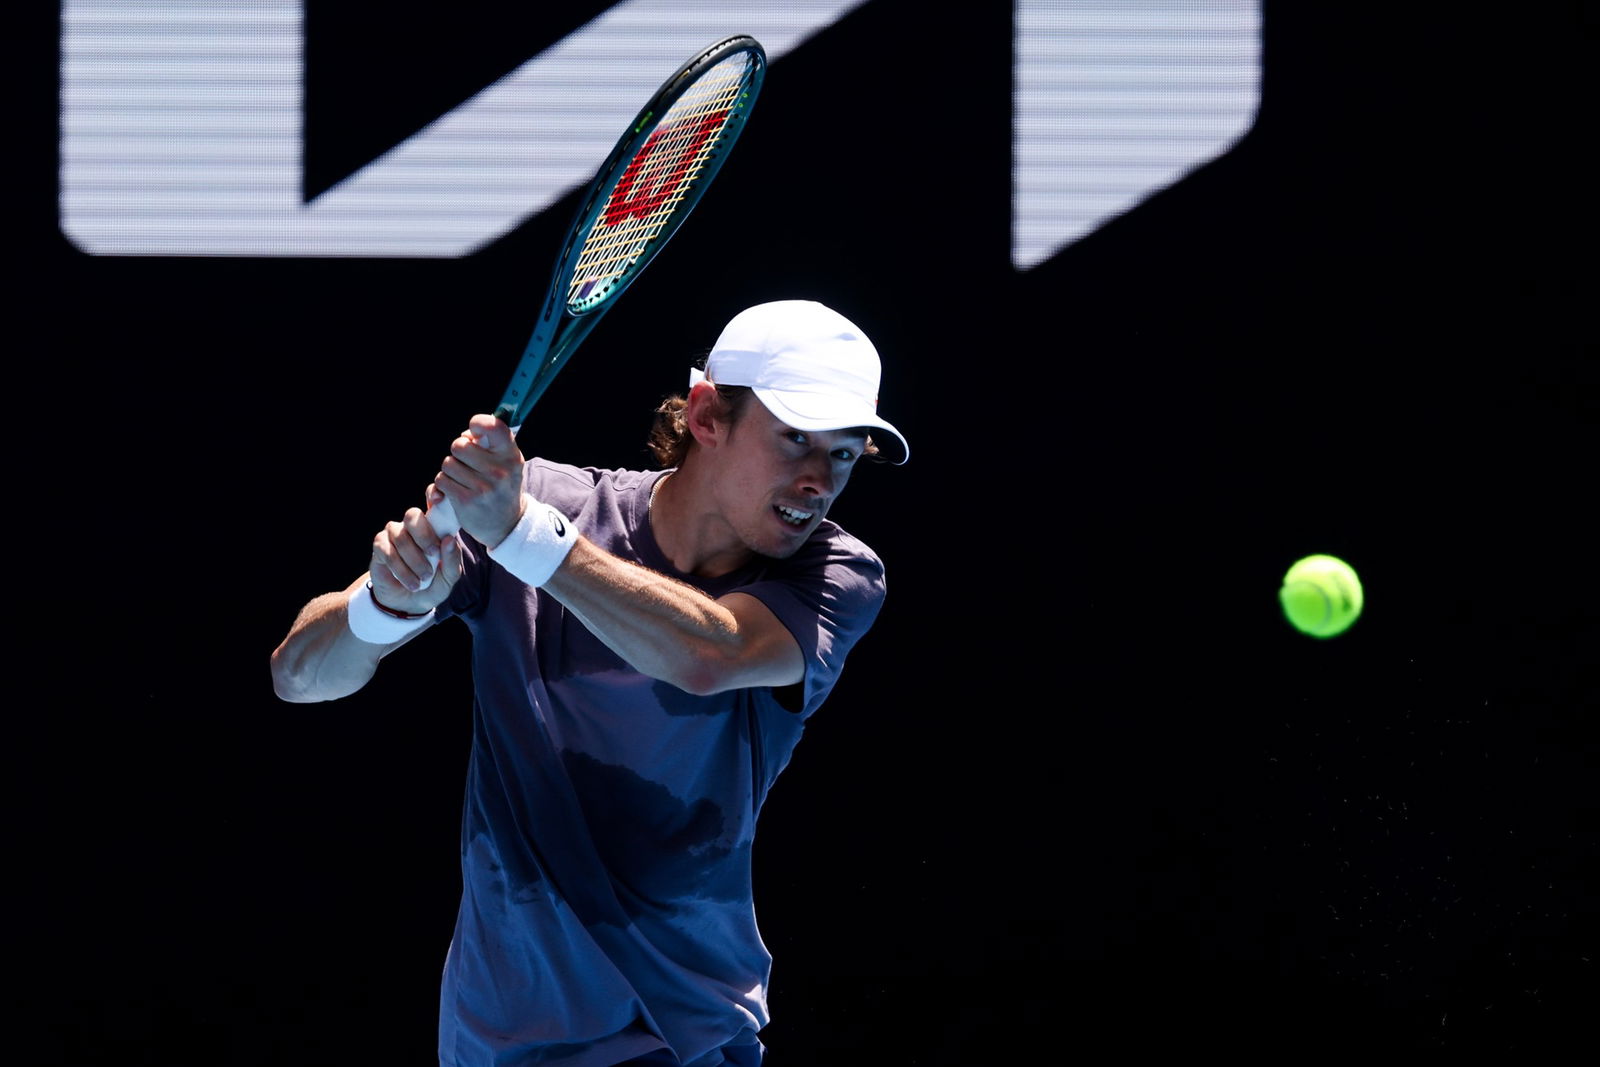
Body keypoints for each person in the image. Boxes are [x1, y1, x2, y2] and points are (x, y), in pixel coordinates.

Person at [270, 299, 910, 1067]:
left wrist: (518, 532)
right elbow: (300, 679)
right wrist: (387, 604)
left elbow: (712, 653)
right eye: (796, 438)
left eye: (843, 454)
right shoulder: (549, 503)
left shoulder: (837, 573)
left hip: (677, 1035)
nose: (818, 480)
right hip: (492, 1041)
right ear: (707, 416)